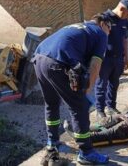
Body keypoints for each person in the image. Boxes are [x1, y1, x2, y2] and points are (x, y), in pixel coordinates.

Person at [32, 14, 112, 165]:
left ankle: (52, 142)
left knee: (51, 103)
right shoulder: (100, 34)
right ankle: (86, 152)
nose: (110, 32)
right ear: (103, 24)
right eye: (109, 28)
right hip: (57, 62)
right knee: (79, 107)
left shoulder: (79, 26)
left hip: (39, 58)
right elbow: (95, 65)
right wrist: (87, 91)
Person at [95, 0, 128, 118]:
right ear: (122, 8)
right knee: (102, 85)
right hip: (105, 59)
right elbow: (97, 39)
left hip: (118, 59)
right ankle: (100, 110)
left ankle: (111, 106)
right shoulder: (105, 18)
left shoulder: (125, 23)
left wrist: (126, 58)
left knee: (114, 84)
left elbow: (125, 40)